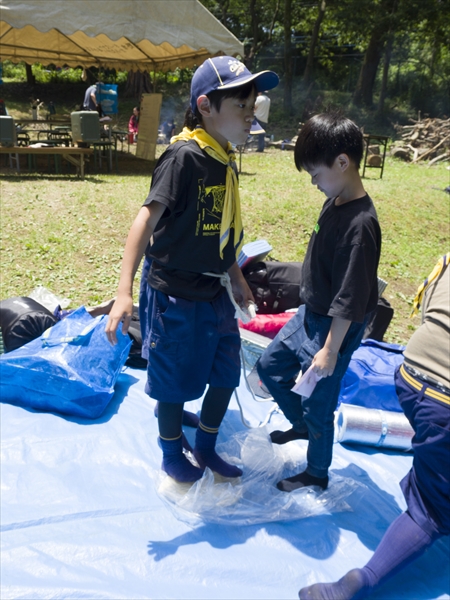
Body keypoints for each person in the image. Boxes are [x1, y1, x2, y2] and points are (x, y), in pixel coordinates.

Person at [106, 56, 279, 484]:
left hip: (216, 290)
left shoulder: (223, 158)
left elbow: (222, 232)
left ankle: (205, 443)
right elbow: (145, 220)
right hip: (175, 292)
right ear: (206, 105)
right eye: (242, 106)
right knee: (172, 380)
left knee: (224, 373)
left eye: (252, 105)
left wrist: (237, 278)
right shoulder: (183, 157)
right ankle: (170, 452)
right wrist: (124, 290)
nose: (250, 116)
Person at [299, 253, 450, 599]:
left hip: (412, 378)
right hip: (443, 398)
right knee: (431, 509)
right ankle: (363, 581)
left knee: (437, 459)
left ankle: (431, 475)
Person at [257, 111, 381, 492]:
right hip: (311, 314)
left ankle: (316, 473)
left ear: (343, 162)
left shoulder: (360, 225)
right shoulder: (335, 199)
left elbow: (351, 296)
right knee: (269, 366)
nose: (314, 183)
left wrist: (329, 349)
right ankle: (302, 426)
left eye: (316, 174)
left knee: (320, 403)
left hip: (335, 329)